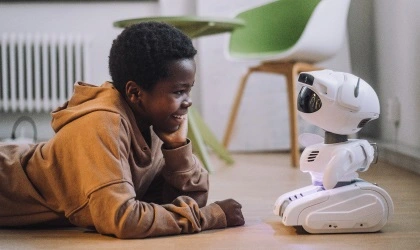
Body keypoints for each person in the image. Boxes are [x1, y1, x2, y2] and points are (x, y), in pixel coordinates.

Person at [0, 21, 244, 239]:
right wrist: (211, 217)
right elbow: (124, 220)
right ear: (135, 93)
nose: (188, 101)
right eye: (178, 91)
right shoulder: (101, 124)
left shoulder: (152, 124)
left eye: (188, 90)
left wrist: (177, 148)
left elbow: (187, 203)